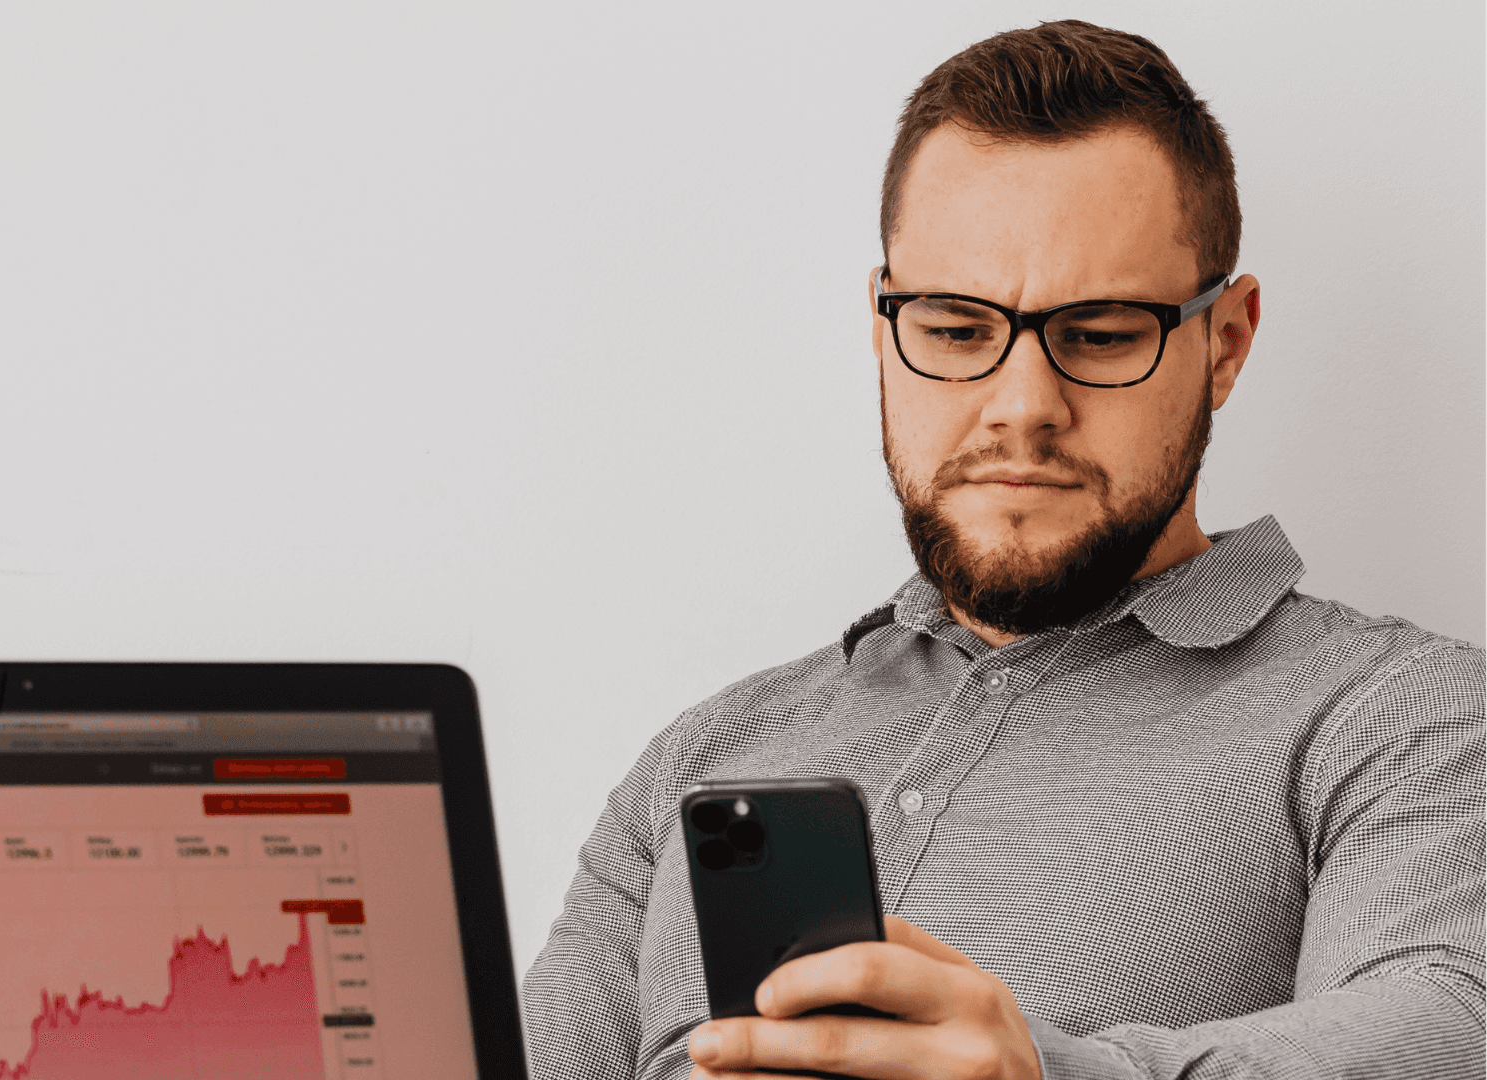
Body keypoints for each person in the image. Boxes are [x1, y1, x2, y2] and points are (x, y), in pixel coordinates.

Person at [520, 19, 1483, 1080]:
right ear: (885, 329)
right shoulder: (697, 760)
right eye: (955, 329)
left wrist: (1050, 1076)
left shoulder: (1407, 714)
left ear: (1226, 343)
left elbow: (1446, 1019)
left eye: (1103, 333)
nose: (1022, 409)